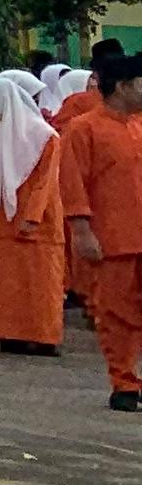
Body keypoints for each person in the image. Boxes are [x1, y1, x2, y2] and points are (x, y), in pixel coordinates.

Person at [0, 68, 67, 356]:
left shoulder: (44, 136)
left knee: (41, 282)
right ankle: (10, 334)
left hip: (39, 224)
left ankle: (43, 337)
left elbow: (45, 183)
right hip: (0, 223)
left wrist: (32, 216)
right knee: (5, 283)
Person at [69, 53, 142, 410]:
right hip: (113, 239)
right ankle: (124, 382)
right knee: (116, 314)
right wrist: (82, 231)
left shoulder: (138, 126)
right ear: (123, 87)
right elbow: (73, 184)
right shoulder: (83, 128)